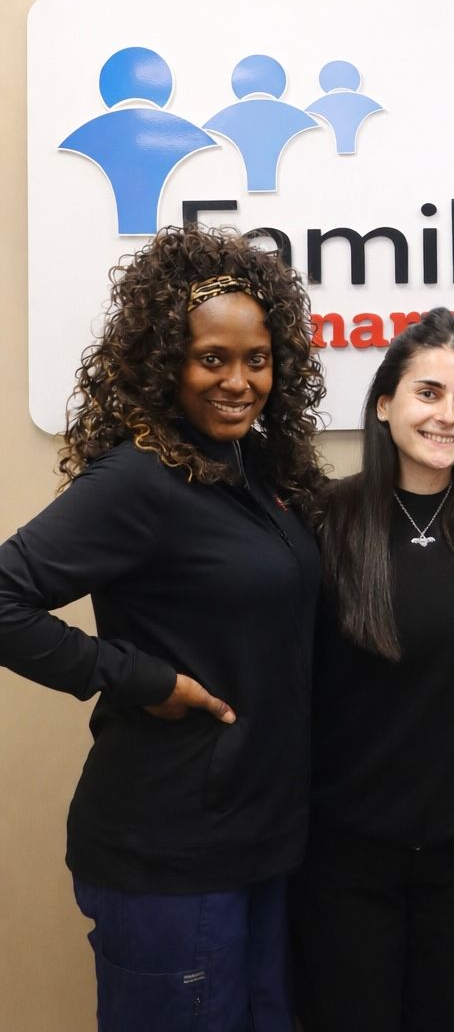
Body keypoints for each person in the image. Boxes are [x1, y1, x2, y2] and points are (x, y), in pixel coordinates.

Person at [0, 226, 325, 1032]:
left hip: (260, 845)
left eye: (257, 358)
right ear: (163, 360)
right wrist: (142, 679)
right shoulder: (139, 479)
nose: (239, 381)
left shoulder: (252, 471)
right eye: (212, 357)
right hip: (169, 856)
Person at [289, 307, 454, 1032]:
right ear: (385, 402)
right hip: (345, 858)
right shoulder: (326, 521)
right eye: (428, 393)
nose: (447, 416)